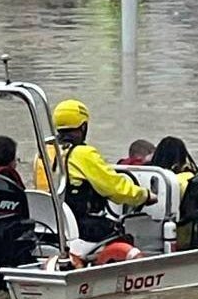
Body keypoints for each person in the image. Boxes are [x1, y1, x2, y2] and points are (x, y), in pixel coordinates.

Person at [33, 99, 155, 242]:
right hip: (78, 225)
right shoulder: (83, 154)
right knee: (121, 234)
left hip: (49, 225)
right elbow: (114, 188)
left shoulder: (43, 153)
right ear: (84, 126)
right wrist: (144, 195)